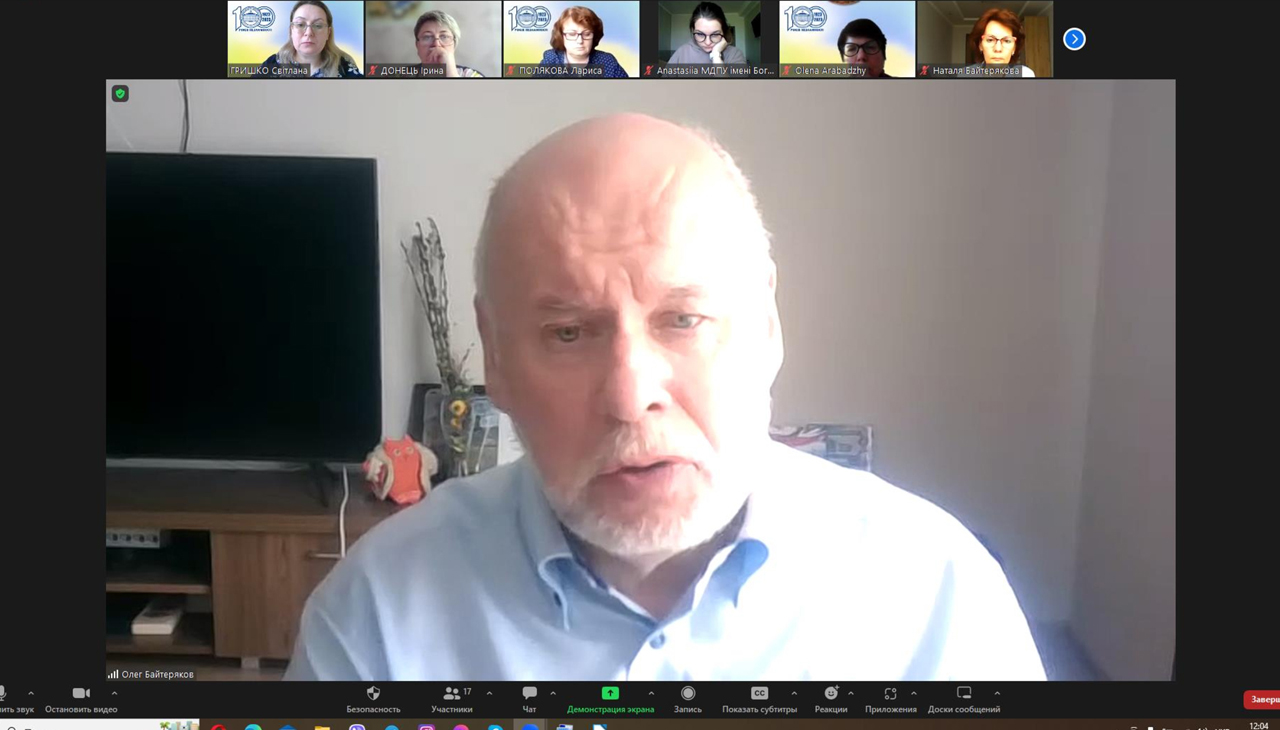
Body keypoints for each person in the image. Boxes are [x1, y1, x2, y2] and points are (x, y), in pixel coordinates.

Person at [284, 113, 1047, 681]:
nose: (630, 396)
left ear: (766, 326)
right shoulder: (376, 619)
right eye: (568, 333)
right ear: (497, 359)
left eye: (684, 320)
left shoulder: (935, 593)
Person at [261, 0, 362, 78]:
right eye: (300, 24)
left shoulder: (346, 68)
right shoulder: (271, 64)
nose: (309, 33)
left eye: (318, 26)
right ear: (291, 30)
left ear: (328, 33)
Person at [538, 6, 628, 78]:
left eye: (587, 34)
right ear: (561, 36)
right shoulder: (551, 60)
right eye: (572, 34)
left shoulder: (608, 62)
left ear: (594, 36)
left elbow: (628, 91)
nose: (580, 41)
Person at [666, 2, 747, 65]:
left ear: (723, 31)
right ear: (693, 30)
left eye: (715, 34)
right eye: (700, 34)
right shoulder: (682, 52)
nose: (707, 42)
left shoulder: (734, 54)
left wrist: (716, 56)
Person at [967, 7, 1036, 77]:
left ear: (1014, 48)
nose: (998, 49)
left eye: (1007, 41)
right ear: (980, 45)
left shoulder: (1024, 75)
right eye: (990, 40)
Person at [413, 9, 483, 78]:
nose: (436, 44)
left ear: (454, 45)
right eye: (427, 37)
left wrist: (451, 74)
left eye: (444, 37)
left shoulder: (471, 75)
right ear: (417, 45)